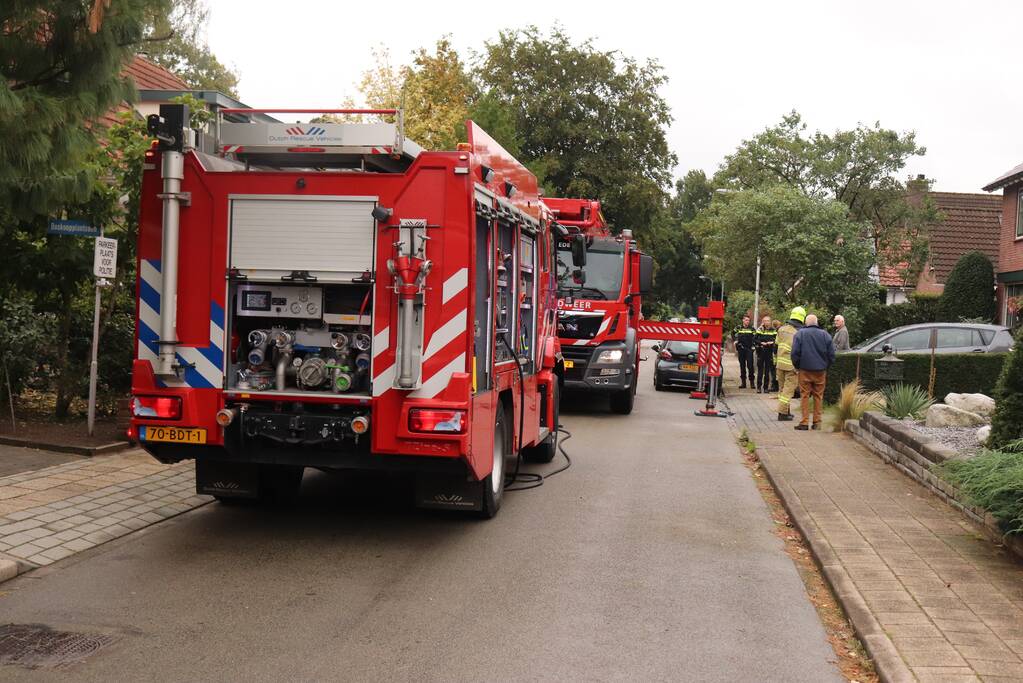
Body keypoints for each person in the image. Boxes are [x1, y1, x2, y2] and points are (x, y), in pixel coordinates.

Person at [791, 314, 837, 431]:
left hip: (804, 370)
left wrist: (798, 366)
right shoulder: (825, 335)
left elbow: (794, 353)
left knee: (804, 395)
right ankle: (817, 422)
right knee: (818, 396)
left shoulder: (800, 334)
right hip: (820, 371)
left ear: (806, 323)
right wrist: (826, 366)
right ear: (817, 323)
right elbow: (831, 354)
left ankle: (804, 422)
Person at [775, 306, 805, 421]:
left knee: (782, 390)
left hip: (780, 364)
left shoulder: (781, 329)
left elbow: (776, 346)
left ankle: (786, 412)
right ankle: (782, 414)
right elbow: (799, 351)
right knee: (788, 391)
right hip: (791, 365)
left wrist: (775, 361)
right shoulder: (799, 332)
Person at [732, 315, 756, 389]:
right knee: (742, 366)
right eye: (746, 320)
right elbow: (732, 333)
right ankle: (743, 383)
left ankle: (752, 382)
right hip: (741, 349)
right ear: (743, 320)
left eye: (748, 320)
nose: (747, 322)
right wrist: (735, 340)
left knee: (750, 366)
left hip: (749, 349)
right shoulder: (738, 328)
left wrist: (753, 346)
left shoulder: (752, 329)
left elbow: (756, 337)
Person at [754, 315, 776, 393]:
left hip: (769, 352)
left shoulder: (773, 330)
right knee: (760, 371)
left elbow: (776, 340)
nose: (767, 322)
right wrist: (761, 343)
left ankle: (766, 388)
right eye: (765, 321)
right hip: (761, 351)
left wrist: (772, 342)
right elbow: (755, 339)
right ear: (763, 322)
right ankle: (759, 387)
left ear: (770, 322)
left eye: (768, 321)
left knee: (767, 371)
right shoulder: (760, 329)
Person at [771, 319, 781, 391]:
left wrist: (774, 353)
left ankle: (775, 386)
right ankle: (776, 386)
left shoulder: (777, 332)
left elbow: (776, 344)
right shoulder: (781, 331)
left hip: (777, 355)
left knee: (774, 371)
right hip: (781, 355)